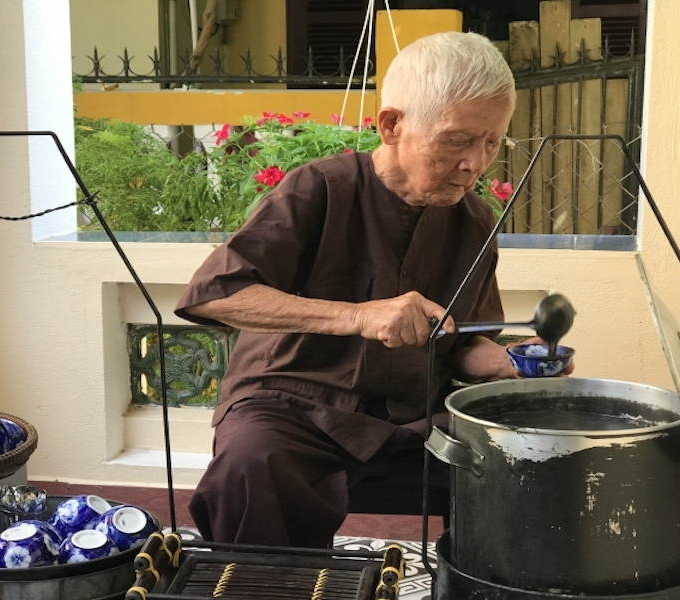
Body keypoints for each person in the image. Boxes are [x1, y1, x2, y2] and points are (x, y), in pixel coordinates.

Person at [175, 31, 554, 548]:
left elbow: (463, 342)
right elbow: (214, 293)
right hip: (294, 408)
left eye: (491, 142)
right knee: (252, 464)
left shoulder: (473, 220)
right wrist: (358, 316)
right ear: (392, 125)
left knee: (529, 463)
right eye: (456, 139)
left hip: (415, 417)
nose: (476, 163)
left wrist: (507, 361)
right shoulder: (320, 188)